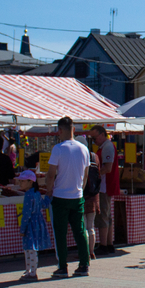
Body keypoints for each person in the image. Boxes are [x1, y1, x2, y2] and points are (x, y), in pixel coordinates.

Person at [46, 117, 90, 279]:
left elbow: (51, 174)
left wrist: (49, 189)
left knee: (60, 233)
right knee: (80, 231)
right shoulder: (84, 149)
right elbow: (85, 175)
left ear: (60, 130)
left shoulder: (58, 149)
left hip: (60, 196)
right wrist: (80, 190)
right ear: (73, 129)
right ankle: (84, 264)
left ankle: (62, 266)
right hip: (77, 195)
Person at [15, 169, 49, 282]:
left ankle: (31, 272)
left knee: (30, 248)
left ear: (30, 182)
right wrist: (49, 196)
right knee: (32, 248)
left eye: (22, 181)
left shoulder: (28, 195)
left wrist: (22, 228)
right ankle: (30, 271)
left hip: (30, 225)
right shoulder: (37, 193)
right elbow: (44, 205)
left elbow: (26, 214)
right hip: (38, 223)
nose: (20, 183)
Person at [89, 126, 117, 256]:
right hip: (106, 185)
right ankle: (109, 243)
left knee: (103, 215)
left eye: (94, 138)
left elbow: (108, 168)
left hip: (104, 186)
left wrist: (93, 174)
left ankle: (104, 245)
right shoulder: (105, 147)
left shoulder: (107, 147)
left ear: (101, 134)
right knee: (107, 215)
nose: (93, 141)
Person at [82, 152, 100, 261]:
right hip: (94, 197)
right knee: (91, 226)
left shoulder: (80, 157)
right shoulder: (95, 157)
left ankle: (86, 252)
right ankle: (92, 252)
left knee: (83, 227)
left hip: (83, 196)